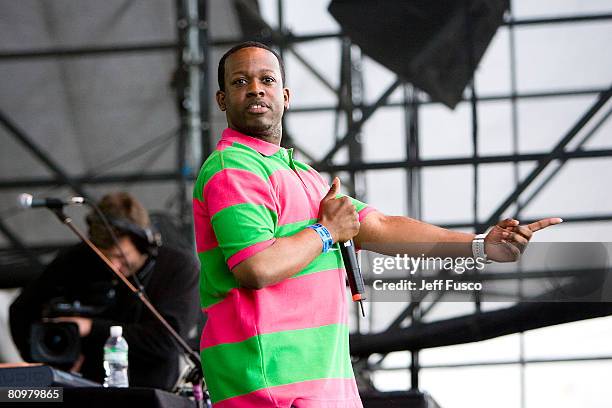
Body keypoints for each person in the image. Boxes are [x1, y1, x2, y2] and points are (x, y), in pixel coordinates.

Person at [193, 41, 562, 407]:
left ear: (285, 96)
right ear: (222, 100)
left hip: (321, 388)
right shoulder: (233, 167)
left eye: (267, 79)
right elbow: (257, 267)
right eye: (240, 82)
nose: (256, 88)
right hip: (272, 388)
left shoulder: (302, 173)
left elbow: (381, 226)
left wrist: (481, 246)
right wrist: (325, 232)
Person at [10, 192, 200, 390]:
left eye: (121, 256)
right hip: (84, 392)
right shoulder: (76, 259)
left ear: (144, 243)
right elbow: (20, 311)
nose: (114, 266)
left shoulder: (179, 268)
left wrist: (90, 327)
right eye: (106, 257)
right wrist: (45, 361)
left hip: (150, 395)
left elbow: (167, 340)